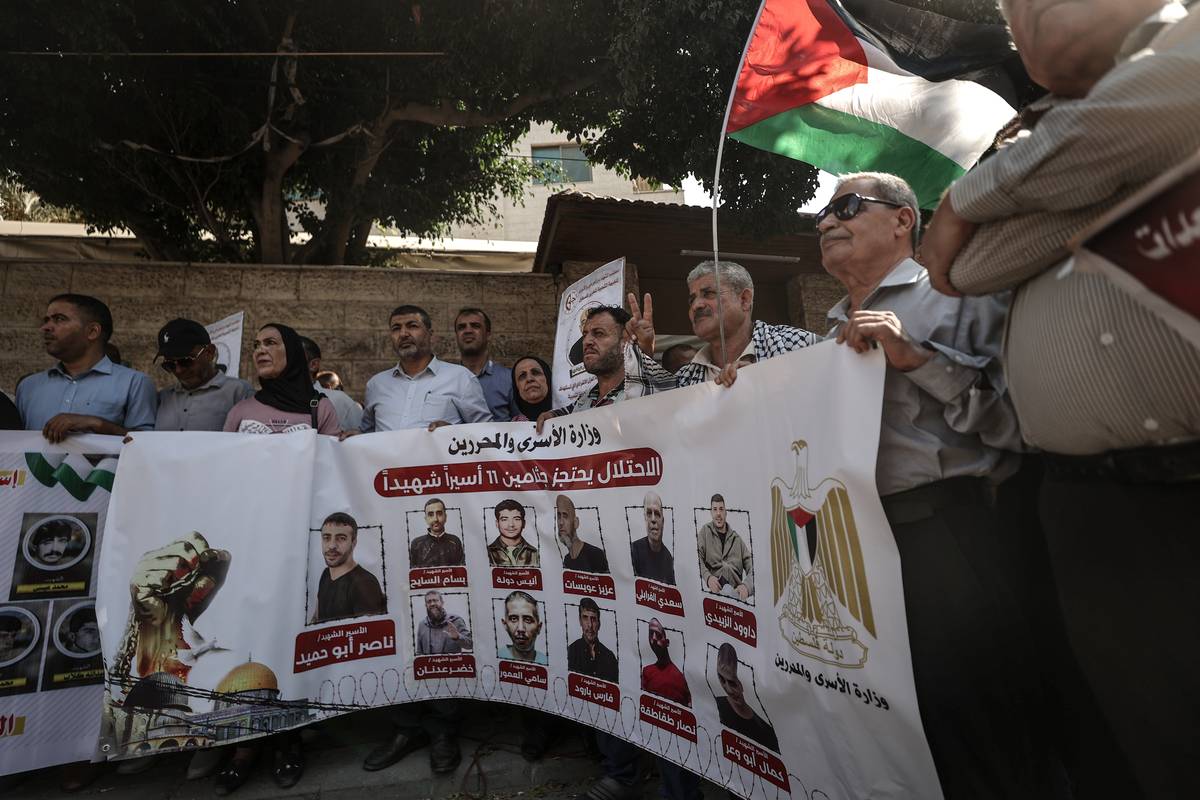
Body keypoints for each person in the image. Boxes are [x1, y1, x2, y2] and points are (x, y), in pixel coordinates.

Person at [917, 3, 1200, 795]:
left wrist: (968, 201)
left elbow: (1187, 92)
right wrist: (1126, 166)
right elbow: (968, 268)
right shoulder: (1031, 135)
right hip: (1091, 517)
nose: (1029, 14)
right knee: (1141, 750)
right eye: (1015, 9)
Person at [820, 171, 1056, 798]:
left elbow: (1022, 425)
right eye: (820, 214)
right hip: (863, 552)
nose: (825, 222)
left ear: (903, 219)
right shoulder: (828, 339)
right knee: (911, 722)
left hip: (952, 538)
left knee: (984, 719)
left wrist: (916, 361)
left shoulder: (955, 299)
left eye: (845, 206)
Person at [625, 262, 819, 387]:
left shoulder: (797, 346)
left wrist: (767, 379)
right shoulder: (684, 380)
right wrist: (643, 354)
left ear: (744, 299)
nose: (697, 305)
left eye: (709, 293)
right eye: (691, 299)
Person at [17, 294, 156, 442]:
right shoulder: (28, 386)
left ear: (92, 332)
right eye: (46, 320)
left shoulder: (134, 383)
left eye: (59, 319)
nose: (45, 327)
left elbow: (145, 444)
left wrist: (97, 424)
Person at [355, 305, 492, 434]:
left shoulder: (460, 378)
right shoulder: (376, 384)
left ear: (430, 334)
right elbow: (368, 436)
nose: (403, 334)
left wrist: (454, 433)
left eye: (412, 326)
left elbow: (486, 433)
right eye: (396, 328)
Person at [539, 305, 676, 429]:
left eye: (599, 333)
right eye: (585, 334)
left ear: (625, 343)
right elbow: (565, 415)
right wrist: (552, 419)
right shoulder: (584, 401)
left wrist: (645, 355)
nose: (587, 341)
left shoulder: (646, 393)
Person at [223, 324, 340, 436]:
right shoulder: (240, 410)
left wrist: (353, 440)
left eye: (270, 343)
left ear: (291, 352)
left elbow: (331, 454)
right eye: (256, 345)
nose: (260, 351)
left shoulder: (321, 408)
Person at [154, 319, 253, 431]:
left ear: (209, 353)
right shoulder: (163, 398)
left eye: (185, 361)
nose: (178, 370)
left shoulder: (239, 392)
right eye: (170, 365)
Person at [312, 512, 386, 624]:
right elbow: (316, 619)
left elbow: (371, 634)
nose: (332, 545)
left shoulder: (365, 583)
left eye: (341, 538)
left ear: (354, 542)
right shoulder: (326, 574)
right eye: (326, 538)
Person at [455, 308, 519, 421]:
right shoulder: (446, 379)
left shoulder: (509, 379)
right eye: (461, 327)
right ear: (456, 336)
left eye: (475, 326)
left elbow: (523, 424)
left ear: (488, 335)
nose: (468, 330)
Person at [714, 643, 778, 752]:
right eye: (722, 679)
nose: (728, 689)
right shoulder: (714, 706)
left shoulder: (766, 731)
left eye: (733, 683)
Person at [299, 335, 363, 433]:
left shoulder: (339, 400)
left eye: (294, 356)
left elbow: (364, 438)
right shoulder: (271, 399)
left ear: (313, 365)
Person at [696, 495, 752, 600]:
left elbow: (753, 569)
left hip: (736, 599)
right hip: (712, 597)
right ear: (711, 512)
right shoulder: (705, 532)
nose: (718, 513)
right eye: (715, 509)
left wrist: (746, 587)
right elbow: (696, 559)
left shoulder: (737, 540)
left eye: (721, 509)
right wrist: (708, 578)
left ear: (726, 512)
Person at [566, 598, 618, 682]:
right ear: (580, 621)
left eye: (593, 619)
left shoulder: (609, 657)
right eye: (585, 618)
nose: (589, 625)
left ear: (599, 623)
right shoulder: (571, 652)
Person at [556, 495, 609, 573]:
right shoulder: (567, 560)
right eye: (559, 516)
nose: (561, 522)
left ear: (576, 522)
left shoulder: (595, 554)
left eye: (565, 516)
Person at [641, 619, 689, 705]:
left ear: (667, 642)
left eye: (658, 635)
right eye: (651, 634)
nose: (654, 638)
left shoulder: (681, 678)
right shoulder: (647, 672)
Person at [630, 492, 674, 585]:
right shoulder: (633, 551)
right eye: (649, 513)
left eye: (657, 513)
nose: (653, 519)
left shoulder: (669, 560)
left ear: (663, 520)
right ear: (645, 518)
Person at [409, 498, 465, 568]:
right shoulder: (417, 544)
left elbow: (461, 572)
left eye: (439, 514)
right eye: (431, 514)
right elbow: (413, 574)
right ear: (426, 519)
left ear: (445, 517)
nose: (435, 519)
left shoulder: (455, 541)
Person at [497, 591, 547, 664]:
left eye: (528, 620)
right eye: (513, 619)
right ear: (505, 624)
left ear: (539, 627)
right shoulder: (497, 656)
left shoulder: (545, 661)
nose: (521, 629)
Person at [486, 499, 539, 567]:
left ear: (524, 523)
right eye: (504, 519)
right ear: (497, 523)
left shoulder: (535, 553)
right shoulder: (487, 552)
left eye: (516, 519)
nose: (511, 525)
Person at [415, 591, 472, 655]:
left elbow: (470, 644)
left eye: (435, 600)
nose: (432, 604)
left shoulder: (456, 621)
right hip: (430, 664)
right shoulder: (422, 625)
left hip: (452, 664)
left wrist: (457, 637)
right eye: (429, 602)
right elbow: (419, 653)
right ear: (426, 605)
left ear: (442, 603)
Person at [510, 355, 553, 422]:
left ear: (547, 378)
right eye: (522, 376)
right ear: (516, 387)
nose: (529, 379)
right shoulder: (511, 428)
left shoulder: (570, 414)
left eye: (536, 373)